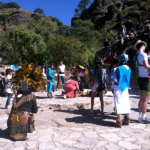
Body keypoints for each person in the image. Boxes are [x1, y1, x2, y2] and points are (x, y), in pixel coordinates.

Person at [7, 62, 47, 141]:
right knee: (31, 116)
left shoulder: (15, 96)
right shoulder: (31, 97)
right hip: (24, 119)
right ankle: (28, 125)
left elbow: (12, 108)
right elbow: (35, 110)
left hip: (12, 120)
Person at [107, 54, 131, 128]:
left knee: (118, 102)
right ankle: (127, 119)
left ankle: (119, 120)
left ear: (121, 60)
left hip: (118, 87)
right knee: (126, 101)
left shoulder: (118, 68)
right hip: (125, 87)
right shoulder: (129, 68)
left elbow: (113, 78)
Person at [134, 40, 150, 123]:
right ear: (142, 46)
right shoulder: (143, 54)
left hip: (140, 77)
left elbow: (137, 67)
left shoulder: (136, 55)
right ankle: (143, 117)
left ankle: (140, 116)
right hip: (146, 78)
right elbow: (146, 66)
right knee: (146, 99)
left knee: (141, 98)